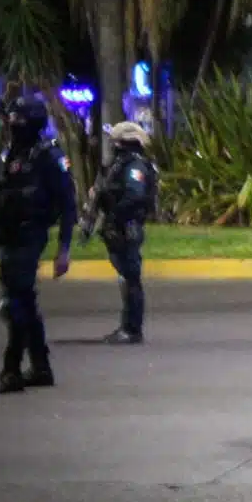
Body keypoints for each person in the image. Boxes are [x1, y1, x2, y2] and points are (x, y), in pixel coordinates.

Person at [0, 92, 77, 393]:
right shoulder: (11, 154)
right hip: (8, 237)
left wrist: (64, 249)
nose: (12, 125)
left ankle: (11, 370)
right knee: (25, 302)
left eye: (17, 120)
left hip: (29, 236)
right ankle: (41, 366)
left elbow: (67, 203)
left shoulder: (47, 156)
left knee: (14, 305)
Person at [88, 121, 158, 343]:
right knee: (126, 278)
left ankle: (132, 329)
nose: (113, 145)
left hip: (127, 227)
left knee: (130, 279)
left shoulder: (134, 165)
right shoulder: (120, 164)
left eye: (116, 141)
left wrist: (114, 216)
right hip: (119, 226)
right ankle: (127, 326)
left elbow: (134, 196)